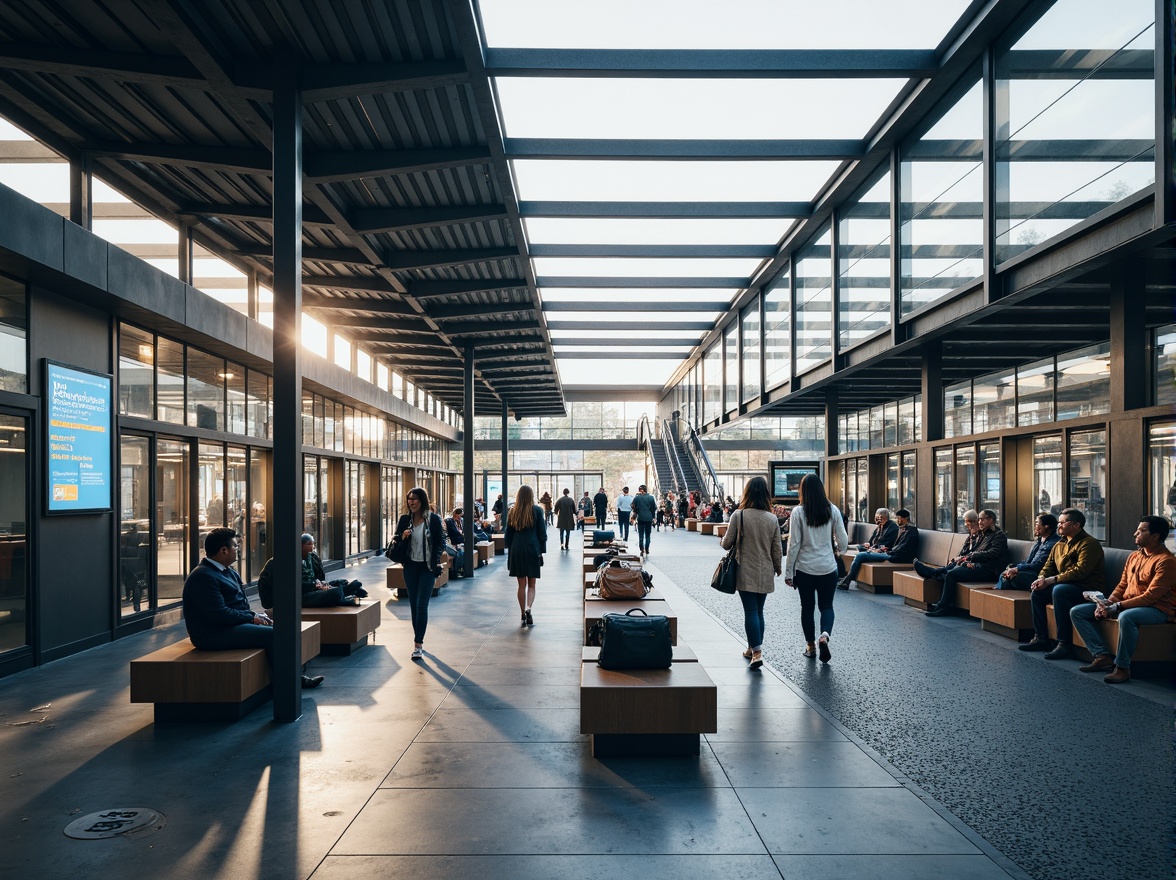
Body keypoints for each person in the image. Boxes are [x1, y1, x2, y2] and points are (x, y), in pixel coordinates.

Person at [182, 527, 322, 688]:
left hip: (234, 624)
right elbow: (219, 615)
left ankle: (295, 672)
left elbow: (239, 606)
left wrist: (254, 616)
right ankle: (289, 684)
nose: (238, 549)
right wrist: (252, 617)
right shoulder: (203, 577)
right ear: (223, 550)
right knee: (275, 634)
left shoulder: (228, 572)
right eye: (235, 546)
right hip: (213, 634)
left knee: (286, 621)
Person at [1070, 516, 1175, 684]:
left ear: (1155, 536)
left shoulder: (1166, 561)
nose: (1135, 534)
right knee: (1078, 612)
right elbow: (1122, 585)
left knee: (1126, 617)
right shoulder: (1134, 556)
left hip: (1159, 609)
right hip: (1127, 604)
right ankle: (1102, 655)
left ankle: (1122, 668)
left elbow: (1151, 597)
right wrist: (1106, 603)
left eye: (1141, 531)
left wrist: (1117, 607)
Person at [1018, 508, 1105, 657]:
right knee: (1038, 591)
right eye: (1058, 522)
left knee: (1059, 590)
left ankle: (1064, 644)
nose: (1058, 526)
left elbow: (1080, 571)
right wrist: (1041, 578)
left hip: (1086, 588)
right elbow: (1048, 566)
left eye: (1062, 522)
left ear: (1076, 525)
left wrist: (1052, 580)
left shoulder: (1089, 544)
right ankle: (1041, 638)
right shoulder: (1059, 544)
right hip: (1065, 584)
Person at [721, 476, 783, 669]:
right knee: (759, 611)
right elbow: (777, 549)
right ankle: (752, 648)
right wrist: (779, 568)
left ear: (747, 493)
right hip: (765, 570)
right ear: (766, 494)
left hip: (744, 570)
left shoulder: (738, 516)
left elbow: (726, 544)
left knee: (750, 611)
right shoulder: (772, 519)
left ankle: (756, 652)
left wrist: (722, 540)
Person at [785, 474, 847, 663]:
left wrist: (789, 572)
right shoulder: (832, 510)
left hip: (805, 569)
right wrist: (839, 552)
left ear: (802, 491)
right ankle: (825, 636)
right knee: (827, 606)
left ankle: (810, 646)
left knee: (807, 608)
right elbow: (843, 538)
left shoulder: (798, 512)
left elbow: (793, 544)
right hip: (828, 567)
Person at [388, 486, 446, 660]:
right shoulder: (405, 519)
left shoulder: (433, 519)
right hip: (410, 566)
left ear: (422, 501)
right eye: (409, 499)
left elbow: (441, 542)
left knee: (422, 605)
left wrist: (434, 560)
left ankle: (418, 644)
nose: (411, 502)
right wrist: (402, 537)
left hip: (427, 568)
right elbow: (396, 540)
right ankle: (418, 641)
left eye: (414, 499)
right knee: (414, 605)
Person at [918, 509, 1007, 617]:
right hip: (978, 566)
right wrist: (966, 560)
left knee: (951, 574)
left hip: (990, 570)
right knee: (953, 569)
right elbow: (974, 551)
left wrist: (970, 558)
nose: (979, 522)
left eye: (982, 519)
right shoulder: (984, 534)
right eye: (978, 519)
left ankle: (944, 607)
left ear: (990, 520)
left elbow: (994, 553)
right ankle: (936, 579)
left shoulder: (999, 535)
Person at [258, 533, 367, 611]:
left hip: (310, 590)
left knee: (341, 582)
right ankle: (344, 594)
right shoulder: (281, 562)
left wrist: (319, 583)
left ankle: (345, 592)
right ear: (299, 546)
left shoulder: (310, 558)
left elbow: (317, 577)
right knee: (334, 593)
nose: (311, 548)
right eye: (308, 545)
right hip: (295, 597)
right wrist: (315, 585)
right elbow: (290, 586)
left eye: (312, 545)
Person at [837, 508, 920, 590]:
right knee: (861, 554)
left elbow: (904, 547)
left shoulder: (911, 531)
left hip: (897, 557)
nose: (897, 520)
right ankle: (846, 580)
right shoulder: (902, 529)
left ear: (905, 518)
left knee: (861, 556)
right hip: (891, 554)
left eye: (899, 518)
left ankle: (846, 581)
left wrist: (889, 551)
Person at [505, 484, 547, 627]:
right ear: (531, 496)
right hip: (532, 547)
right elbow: (542, 533)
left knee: (521, 585)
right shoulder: (537, 510)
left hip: (517, 548)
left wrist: (510, 553)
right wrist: (541, 551)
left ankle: (522, 612)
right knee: (532, 584)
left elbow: (508, 536)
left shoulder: (513, 511)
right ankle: (529, 608)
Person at [995, 513, 1059, 590]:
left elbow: (1037, 565)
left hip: (1040, 575)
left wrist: (1017, 569)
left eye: (1037, 523)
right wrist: (1015, 567)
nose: (1035, 526)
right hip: (1030, 571)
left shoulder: (1052, 543)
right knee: (1007, 571)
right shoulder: (1039, 541)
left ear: (1046, 526)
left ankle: (999, 588)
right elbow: (1028, 560)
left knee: (1013, 576)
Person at [631, 484, 658, 556]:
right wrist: (653, 517)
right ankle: (647, 548)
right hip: (649, 518)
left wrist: (636, 510)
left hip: (641, 518)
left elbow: (632, 506)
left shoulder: (637, 498)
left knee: (641, 535)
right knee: (648, 535)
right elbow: (654, 508)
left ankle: (641, 549)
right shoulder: (651, 498)